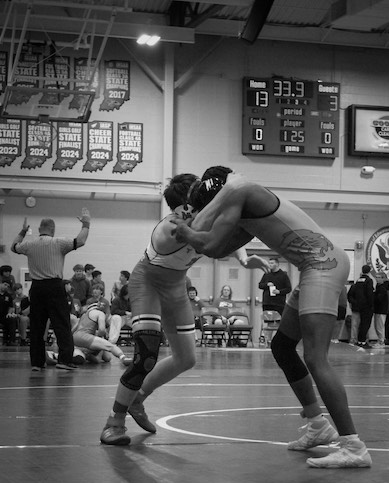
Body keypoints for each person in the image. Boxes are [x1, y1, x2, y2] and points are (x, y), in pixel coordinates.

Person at [171, 166, 372, 469]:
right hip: (315, 266)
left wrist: (186, 230)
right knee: (282, 346)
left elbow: (207, 241)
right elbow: (217, 247)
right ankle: (318, 425)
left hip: (323, 265)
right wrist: (192, 233)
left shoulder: (241, 191)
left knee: (316, 358)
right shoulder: (245, 205)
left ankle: (354, 447)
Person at [100, 172, 269, 446]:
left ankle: (137, 399)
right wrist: (230, 192)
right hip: (148, 282)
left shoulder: (201, 216)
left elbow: (222, 231)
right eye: (200, 196)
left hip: (177, 285)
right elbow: (206, 230)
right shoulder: (169, 228)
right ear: (188, 204)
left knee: (186, 358)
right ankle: (114, 421)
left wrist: (244, 258)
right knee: (146, 355)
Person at [11, 210, 91, 371]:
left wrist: (23, 231)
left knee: (37, 327)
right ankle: (64, 360)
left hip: (37, 288)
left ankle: (37, 363)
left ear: (39, 229)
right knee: (62, 324)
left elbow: (13, 247)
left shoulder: (29, 244)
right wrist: (86, 224)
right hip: (54, 287)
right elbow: (81, 241)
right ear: (52, 229)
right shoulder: (58, 242)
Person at [347, 265, 374, 350]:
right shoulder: (369, 281)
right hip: (366, 307)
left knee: (355, 325)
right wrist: (371, 305)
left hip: (357, 307)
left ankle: (355, 341)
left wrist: (354, 303)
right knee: (365, 324)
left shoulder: (357, 282)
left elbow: (350, 295)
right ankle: (362, 341)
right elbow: (369, 294)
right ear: (369, 272)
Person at [372, 271, 389, 348]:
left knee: (380, 327)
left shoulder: (382, 288)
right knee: (377, 326)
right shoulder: (378, 286)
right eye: (376, 277)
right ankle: (380, 340)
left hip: (381, 310)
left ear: (383, 278)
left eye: (379, 277)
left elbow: (379, 299)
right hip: (377, 309)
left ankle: (381, 341)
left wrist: (373, 296)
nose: (377, 279)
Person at [0, 280, 16, 345]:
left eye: (8, 286)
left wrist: (9, 313)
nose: (6, 287)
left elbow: (11, 306)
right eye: (5, 285)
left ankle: (11, 341)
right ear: (1, 284)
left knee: (12, 320)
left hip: (4, 315)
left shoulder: (8, 296)